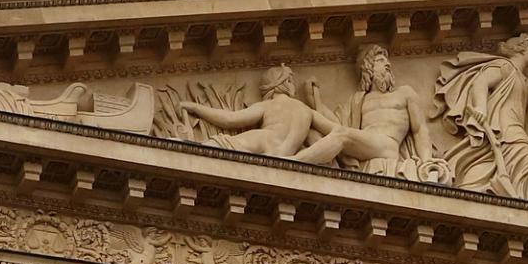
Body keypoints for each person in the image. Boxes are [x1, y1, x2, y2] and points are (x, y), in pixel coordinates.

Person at [302, 45, 434, 177]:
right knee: (310, 119)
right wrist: (314, 98)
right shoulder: (359, 99)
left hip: (388, 145)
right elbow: (337, 124)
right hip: (364, 146)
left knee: (342, 134)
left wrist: (426, 162)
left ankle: (295, 161)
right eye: (380, 60)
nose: (387, 64)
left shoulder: (405, 93)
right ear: (368, 68)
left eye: (387, 61)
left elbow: (419, 130)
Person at [437, 35, 528, 198]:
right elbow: (481, 82)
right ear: (520, 50)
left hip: (515, 129)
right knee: (525, 158)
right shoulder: (505, 66)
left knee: (524, 163)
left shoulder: (526, 81)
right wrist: (481, 109)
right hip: (503, 128)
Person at [183, 65, 333, 160]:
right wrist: (315, 99)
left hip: (263, 140)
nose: (292, 84)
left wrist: (195, 108)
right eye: (290, 80)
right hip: (282, 153)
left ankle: (178, 146)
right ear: (283, 83)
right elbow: (337, 131)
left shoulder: (268, 105)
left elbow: (230, 119)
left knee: (209, 148)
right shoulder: (307, 111)